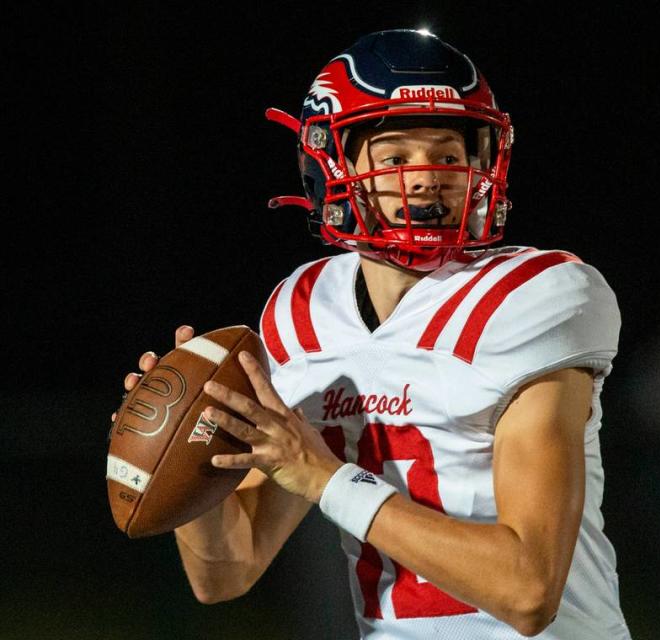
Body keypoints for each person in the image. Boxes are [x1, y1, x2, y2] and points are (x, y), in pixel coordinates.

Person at [118, 30, 631, 639]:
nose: (426, 179)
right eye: (395, 159)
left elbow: (527, 590)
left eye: (446, 155)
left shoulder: (531, 297)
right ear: (333, 165)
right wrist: (188, 447)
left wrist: (326, 477)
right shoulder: (303, 314)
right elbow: (226, 574)